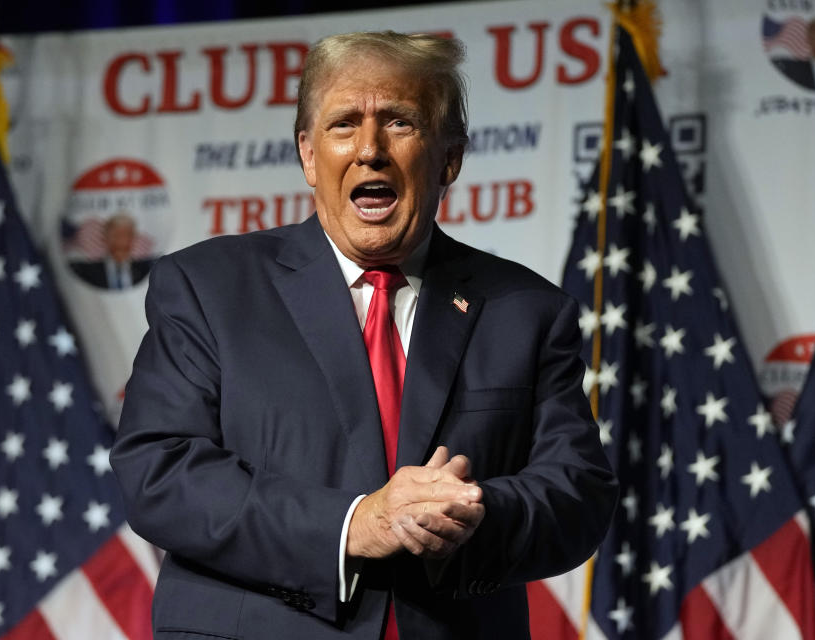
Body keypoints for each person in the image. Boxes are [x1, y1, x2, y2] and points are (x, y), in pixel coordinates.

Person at [111, 31, 617, 640]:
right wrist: (356, 524)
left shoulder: (526, 309)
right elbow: (160, 471)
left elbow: (578, 491)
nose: (370, 150)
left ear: (450, 158)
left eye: (400, 123)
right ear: (306, 154)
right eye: (344, 125)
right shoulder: (208, 288)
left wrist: (467, 517)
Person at [68, 212, 153, 289]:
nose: (120, 242)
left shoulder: (147, 269)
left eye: (125, 235)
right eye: (115, 235)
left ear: (133, 238)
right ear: (105, 238)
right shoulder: (86, 271)